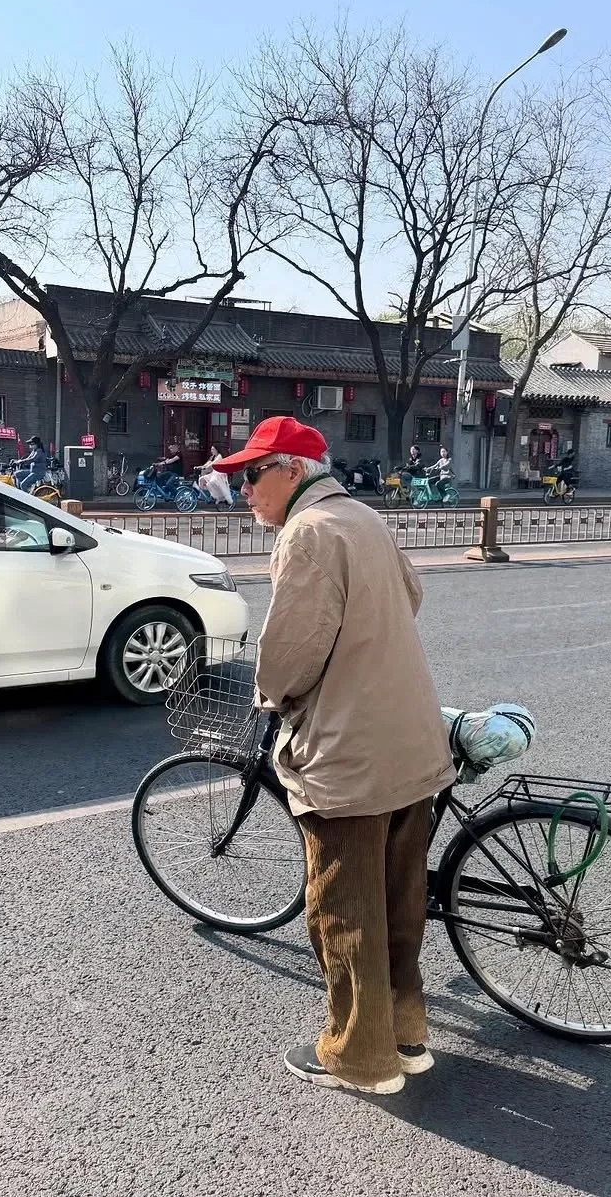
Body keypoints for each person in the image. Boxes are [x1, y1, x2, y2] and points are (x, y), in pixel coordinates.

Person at [213, 416, 454, 1095]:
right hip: (410, 738)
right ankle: (406, 1037)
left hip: (350, 754)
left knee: (344, 909)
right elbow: (411, 595)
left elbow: (290, 651)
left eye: (252, 475)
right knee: (399, 902)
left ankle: (361, 1058)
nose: (244, 491)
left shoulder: (308, 531)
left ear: (292, 470)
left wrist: (270, 696)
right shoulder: (362, 517)